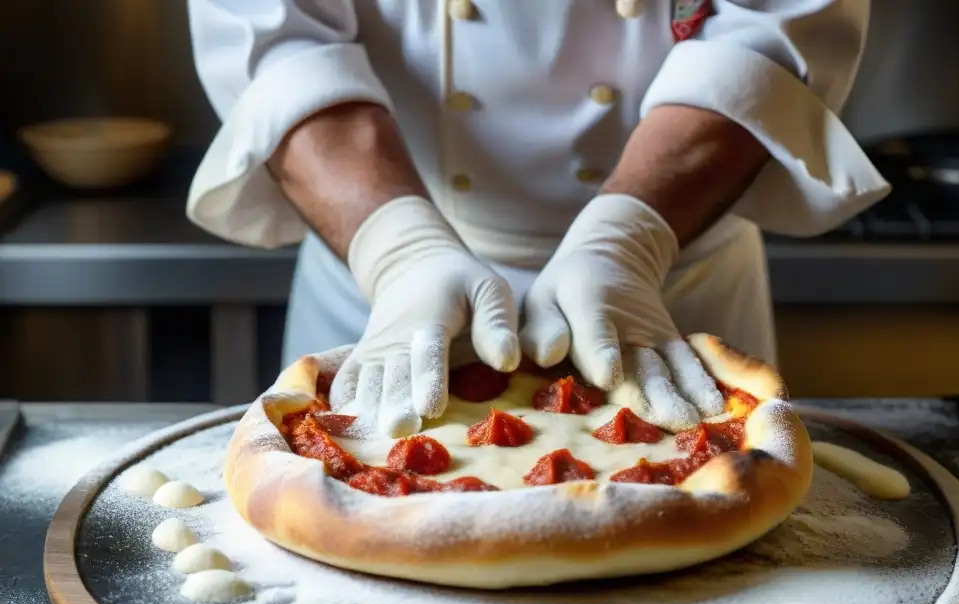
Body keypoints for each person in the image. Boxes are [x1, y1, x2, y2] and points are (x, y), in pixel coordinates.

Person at [186, 0, 888, 438]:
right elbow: (281, 44)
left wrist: (630, 239)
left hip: (670, 282)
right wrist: (397, 251)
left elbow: (765, 34)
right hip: (382, 295)